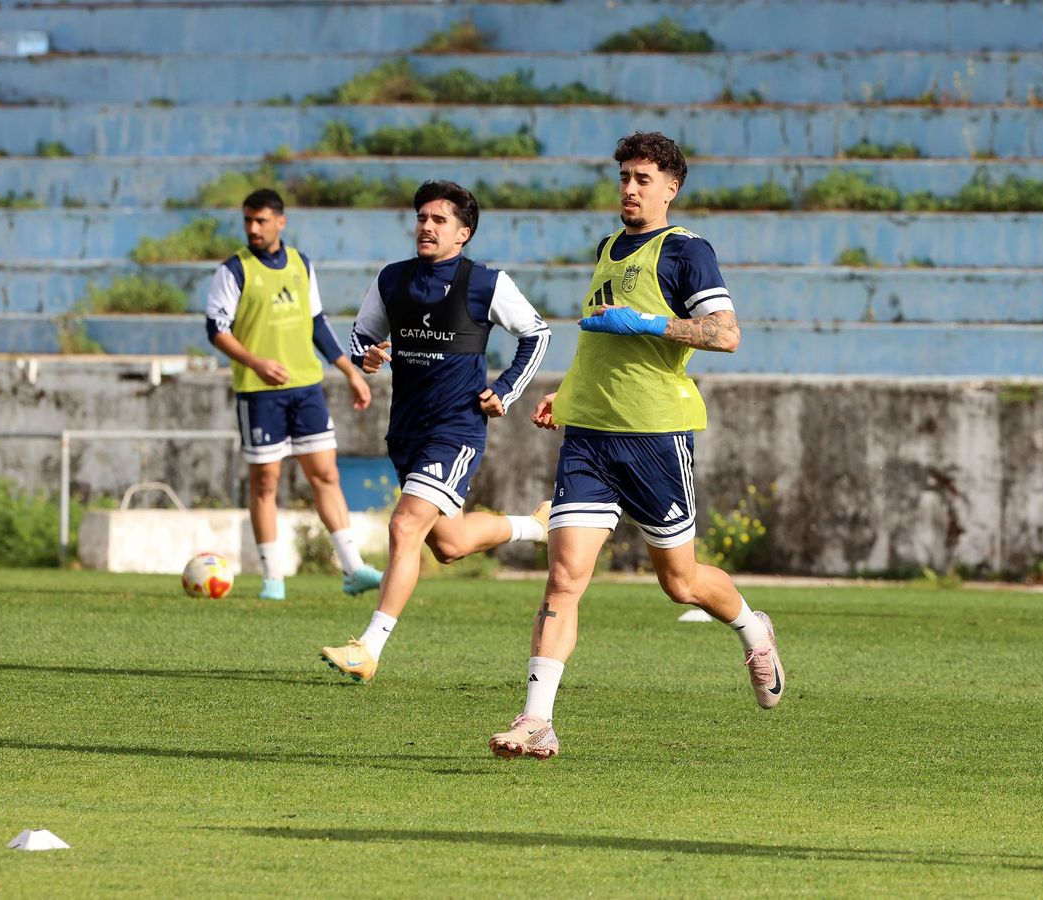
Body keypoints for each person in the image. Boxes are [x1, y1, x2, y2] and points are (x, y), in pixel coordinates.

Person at [488, 131, 783, 761]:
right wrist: (567, 392)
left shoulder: (688, 252)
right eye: (624, 176)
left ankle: (753, 628)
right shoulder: (606, 248)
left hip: (653, 437)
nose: (628, 188)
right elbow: (597, 337)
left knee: (680, 583)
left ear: (671, 188)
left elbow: (725, 334)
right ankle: (538, 719)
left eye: (643, 179)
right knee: (564, 576)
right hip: (589, 435)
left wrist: (651, 323)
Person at [319, 180, 552, 683]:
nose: (426, 226)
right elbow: (363, 333)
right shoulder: (392, 279)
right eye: (421, 218)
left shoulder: (486, 283)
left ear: (463, 232)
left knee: (404, 527)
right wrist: (368, 354)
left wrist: (506, 389)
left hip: (456, 430)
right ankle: (536, 526)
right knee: (447, 545)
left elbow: (538, 333)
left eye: (439, 220)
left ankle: (369, 647)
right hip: (405, 431)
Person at [205, 188, 384, 601]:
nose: (253, 227)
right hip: (259, 393)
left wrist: (349, 372)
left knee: (326, 475)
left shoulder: (302, 264)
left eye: (261, 220)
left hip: (306, 388)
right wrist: (256, 363)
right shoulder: (233, 271)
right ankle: (273, 578)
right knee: (266, 482)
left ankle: (353, 568)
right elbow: (216, 330)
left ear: (280, 221)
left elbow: (317, 323)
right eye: (248, 220)